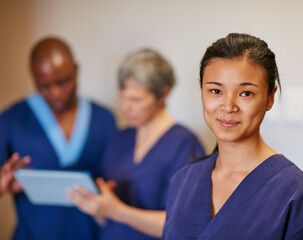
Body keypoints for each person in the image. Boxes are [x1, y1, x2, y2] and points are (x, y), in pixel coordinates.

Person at [162, 33, 303, 239]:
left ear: (270, 98)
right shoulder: (183, 181)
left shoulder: (299, 197)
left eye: (246, 93)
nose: (228, 107)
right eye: (215, 91)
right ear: (201, 90)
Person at [68, 48, 205, 240]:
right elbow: (105, 215)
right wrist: (98, 205)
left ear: (163, 94)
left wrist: (117, 211)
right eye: (122, 97)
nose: (125, 107)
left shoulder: (184, 144)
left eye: (135, 100)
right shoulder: (119, 138)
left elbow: (184, 226)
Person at [0, 37, 116, 240]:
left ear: (76, 70)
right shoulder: (11, 120)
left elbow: (116, 184)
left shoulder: (104, 118)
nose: (56, 93)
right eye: (44, 86)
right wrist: (0, 186)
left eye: (63, 82)